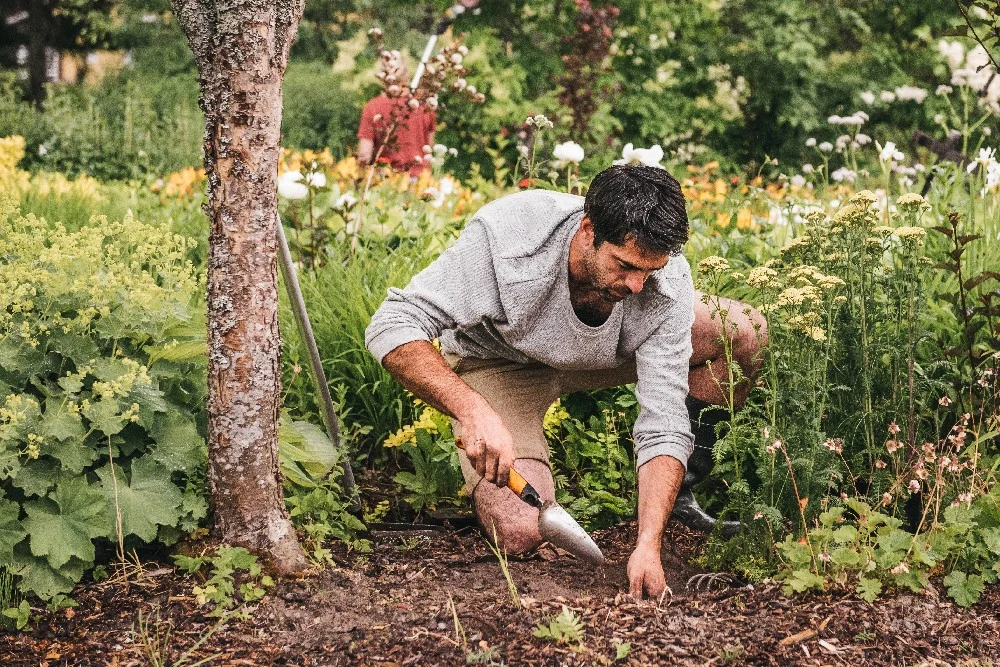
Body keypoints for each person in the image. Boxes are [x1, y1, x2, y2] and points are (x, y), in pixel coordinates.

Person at [365, 165, 765, 598]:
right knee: (523, 529)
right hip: (501, 363)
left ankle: (677, 507)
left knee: (744, 333)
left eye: (649, 271)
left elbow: (663, 420)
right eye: (625, 266)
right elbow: (393, 322)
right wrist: (471, 409)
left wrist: (649, 542)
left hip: (603, 356)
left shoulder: (661, 279)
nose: (637, 285)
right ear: (588, 230)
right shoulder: (511, 237)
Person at [356, 55, 436, 178]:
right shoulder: (425, 106)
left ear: (382, 77)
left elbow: (364, 155)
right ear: (406, 75)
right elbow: (429, 148)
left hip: (386, 180)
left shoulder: (373, 107)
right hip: (421, 180)